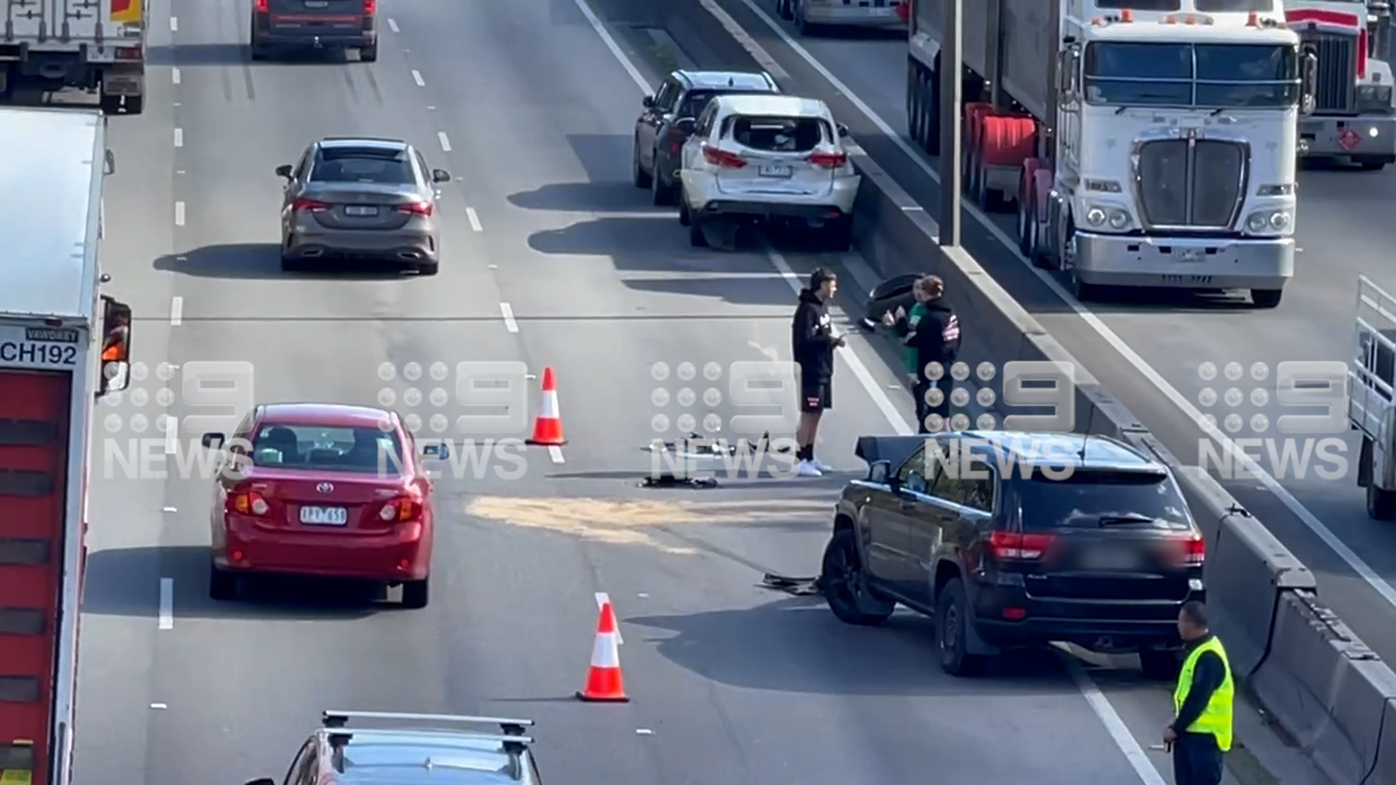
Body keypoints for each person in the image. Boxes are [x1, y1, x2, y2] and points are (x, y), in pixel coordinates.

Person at [1166, 600, 1234, 785]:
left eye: (1180, 621)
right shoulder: (1199, 648)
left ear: (1190, 623)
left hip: (1204, 741)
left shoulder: (1208, 657)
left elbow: (1198, 698)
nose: (1178, 625)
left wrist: (1175, 728)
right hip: (1192, 736)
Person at [884, 275, 959, 432]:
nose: (917, 293)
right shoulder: (950, 315)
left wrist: (899, 324)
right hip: (944, 370)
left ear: (926, 293)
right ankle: (949, 452)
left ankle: (929, 452)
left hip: (930, 373)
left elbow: (913, 339)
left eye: (920, 289)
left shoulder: (931, 317)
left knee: (929, 417)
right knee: (940, 416)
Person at [791, 268, 844, 477]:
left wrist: (832, 342)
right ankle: (800, 458)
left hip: (823, 369)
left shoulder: (823, 308)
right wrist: (827, 340)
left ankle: (811, 456)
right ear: (821, 285)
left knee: (818, 413)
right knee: (808, 413)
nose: (834, 289)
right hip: (810, 370)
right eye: (832, 284)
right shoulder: (807, 310)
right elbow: (804, 341)